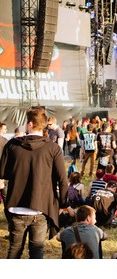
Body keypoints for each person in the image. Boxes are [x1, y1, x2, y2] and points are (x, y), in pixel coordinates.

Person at [0, 106, 68, 258]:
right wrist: (63, 204)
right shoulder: (53, 148)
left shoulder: (12, 145)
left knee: (14, 250)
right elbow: (63, 180)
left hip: (16, 208)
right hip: (41, 207)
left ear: (30, 124)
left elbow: (2, 173)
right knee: (37, 252)